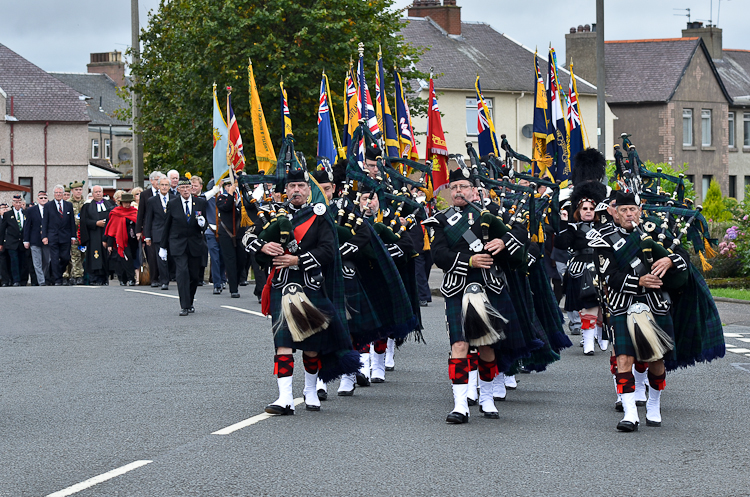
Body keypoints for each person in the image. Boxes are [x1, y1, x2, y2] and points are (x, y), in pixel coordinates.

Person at [249, 169, 359, 415]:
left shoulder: (320, 215)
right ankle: (285, 398)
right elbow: (251, 239)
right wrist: (265, 246)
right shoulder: (273, 214)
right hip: (282, 285)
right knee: (282, 343)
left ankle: (311, 389)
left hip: (310, 284)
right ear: (285, 190)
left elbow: (329, 251)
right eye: (292, 187)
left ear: (309, 190)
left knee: (311, 346)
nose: (296, 190)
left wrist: (296, 260)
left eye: (300, 186)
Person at [424, 168, 528, 424]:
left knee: (486, 346)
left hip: (487, 286)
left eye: (463, 187)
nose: (459, 191)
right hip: (457, 287)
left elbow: (519, 235)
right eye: (454, 187)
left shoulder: (488, 216)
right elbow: (438, 255)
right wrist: (469, 260)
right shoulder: (439, 220)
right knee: (459, 345)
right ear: (449, 192)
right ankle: (460, 405)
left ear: (473, 191)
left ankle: (487, 398)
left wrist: (503, 242)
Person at [592, 191, 688, 432]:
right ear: (614, 211)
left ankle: (653, 404)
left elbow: (684, 257)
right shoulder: (602, 238)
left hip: (654, 304)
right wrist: (639, 282)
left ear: (640, 210)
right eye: (623, 210)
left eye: (632, 209)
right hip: (622, 303)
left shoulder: (654, 231)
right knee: (624, 358)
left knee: (656, 360)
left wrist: (670, 260)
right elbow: (609, 276)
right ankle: (630, 413)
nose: (628, 214)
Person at [159, 177, 207, 316]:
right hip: (178, 243)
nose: (186, 190)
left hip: (195, 243)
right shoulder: (173, 204)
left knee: (193, 275)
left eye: (188, 187)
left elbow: (205, 224)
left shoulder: (200, 202)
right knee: (182, 273)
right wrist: (163, 247)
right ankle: (184, 305)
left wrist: (203, 224)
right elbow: (166, 226)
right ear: (178, 190)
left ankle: (190, 301)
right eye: (183, 188)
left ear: (192, 189)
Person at [216, 178, 245, 298]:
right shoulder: (222, 198)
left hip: (240, 232)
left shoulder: (241, 198)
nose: (230, 187)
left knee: (242, 259)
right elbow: (226, 207)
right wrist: (230, 194)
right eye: (228, 185)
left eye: (232, 185)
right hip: (226, 233)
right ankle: (233, 288)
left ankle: (236, 280)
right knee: (230, 260)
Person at [42, 185, 76, 286]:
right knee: (55, 258)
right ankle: (57, 279)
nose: (58, 194)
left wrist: (73, 236)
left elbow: (72, 222)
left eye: (60, 193)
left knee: (65, 258)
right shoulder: (48, 205)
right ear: (54, 194)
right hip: (53, 236)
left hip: (65, 236)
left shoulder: (68, 205)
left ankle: (55, 274)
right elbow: (45, 222)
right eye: (56, 193)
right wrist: (44, 236)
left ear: (63, 194)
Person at [80, 186, 115, 285]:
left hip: (107, 234)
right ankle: (94, 279)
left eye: (100, 191)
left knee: (106, 256)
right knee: (95, 256)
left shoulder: (110, 204)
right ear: (92, 194)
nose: (98, 193)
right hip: (94, 235)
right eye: (96, 192)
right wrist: (96, 223)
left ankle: (105, 278)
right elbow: (84, 221)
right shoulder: (87, 206)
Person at [143, 176, 174, 290]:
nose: (164, 187)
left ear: (170, 187)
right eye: (162, 185)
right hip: (158, 233)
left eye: (166, 185)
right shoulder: (152, 200)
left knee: (172, 257)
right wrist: (148, 236)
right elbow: (148, 219)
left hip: (172, 233)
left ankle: (171, 276)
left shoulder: (175, 199)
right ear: (158, 186)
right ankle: (164, 281)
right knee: (161, 258)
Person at [105, 192, 139, 285]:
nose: (127, 204)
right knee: (126, 257)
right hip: (121, 239)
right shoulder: (116, 212)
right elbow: (112, 229)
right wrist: (109, 244)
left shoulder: (134, 211)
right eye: (125, 202)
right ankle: (131, 278)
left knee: (129, 258)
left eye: (129, 202)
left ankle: (123, 279)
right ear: (121, 203)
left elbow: (139, 224)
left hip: (133, 239)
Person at [0, 194, 30, 286]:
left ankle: (23, 280)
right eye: (16, 202)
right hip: (11, 242)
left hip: (23, 242)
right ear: (12, 203)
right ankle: (15, 280)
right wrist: (1, 243)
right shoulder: (8, 214)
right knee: (14, 261)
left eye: (19, 202)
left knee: (23, 262)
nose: (18, 204)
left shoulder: (26, 213)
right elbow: (2, 229)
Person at [23, 191, 51, 285]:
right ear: (38, 199)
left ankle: (43, 276)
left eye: (45, 198)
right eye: (41, 198)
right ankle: (41, 281)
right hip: (34, 239)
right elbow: (27, 226)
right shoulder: (31, 210)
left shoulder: (50, 209)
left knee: (47, 261)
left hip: (47, 239)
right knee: (37, 262)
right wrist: (26, 240)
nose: (43, 200)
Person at [66, 181, 86, 285]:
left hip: (83, 234)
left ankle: (73, 274)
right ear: (72, 191)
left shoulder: (86, 203)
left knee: (82, 255)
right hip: (73, 233)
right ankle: (78, 276)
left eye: (80, 190)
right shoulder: (68, 203)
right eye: (76, 190)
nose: (78, 192)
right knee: (74, 256)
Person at [191, 175, 208, 286]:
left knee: (202, 254)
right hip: (190, 231)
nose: (193, 188)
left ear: (201, 187)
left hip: (200, 232)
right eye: (191, 186)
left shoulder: (202, 200)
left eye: (195, 186)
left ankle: (200, 277)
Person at [0, 203, 11, 286]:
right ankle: (5, 281)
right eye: (3, 208)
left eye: (7, 208)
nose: (5, 210)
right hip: (1, 244)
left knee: (11, 262)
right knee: (3, 263)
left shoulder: (10, 218)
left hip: (10, 243)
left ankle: (12, 279)